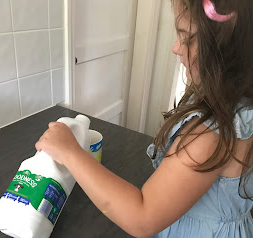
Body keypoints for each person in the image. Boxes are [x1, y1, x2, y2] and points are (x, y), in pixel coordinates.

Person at [35, 0, 253, 237]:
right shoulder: (238, 106)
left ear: (224, 50)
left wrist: (70, 152)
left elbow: (142, 217)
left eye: (186, 38)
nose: (176, 48)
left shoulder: (211, 133)